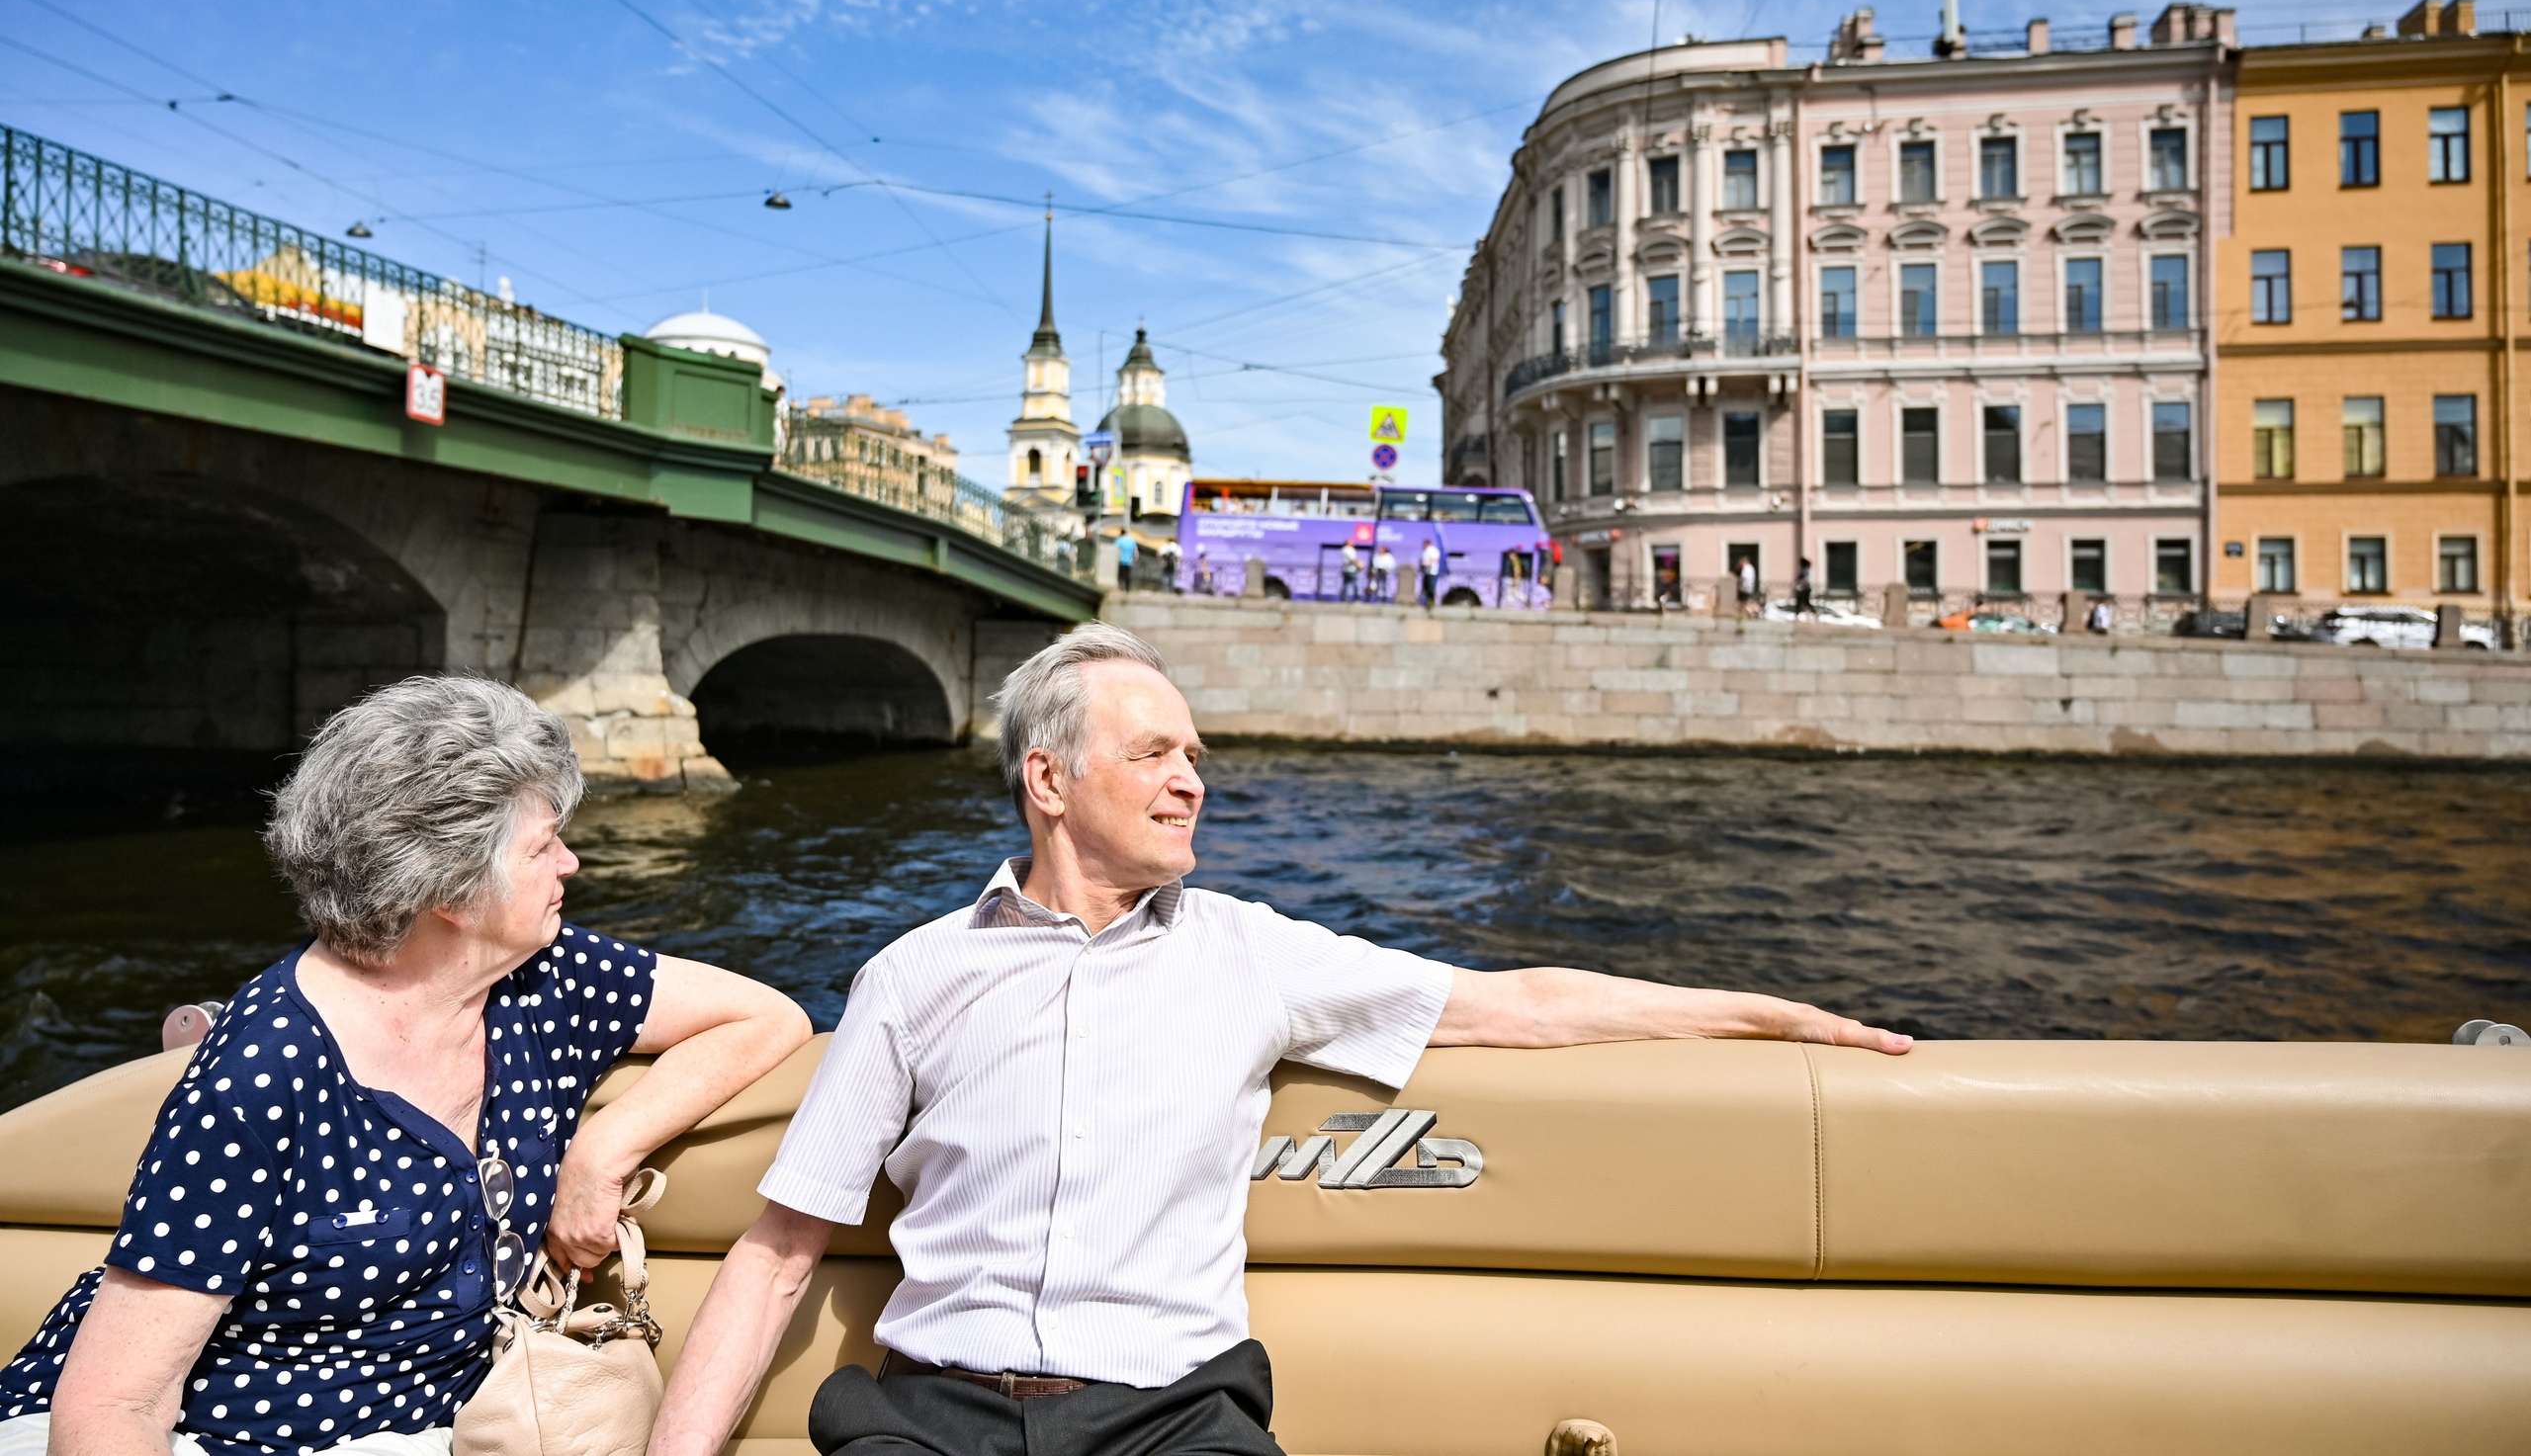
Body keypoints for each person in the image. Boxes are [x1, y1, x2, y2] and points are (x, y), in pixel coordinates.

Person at [648, 626, 1908, 1456]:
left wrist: (1765, 1012)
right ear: (1048, 780)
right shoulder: (912, 976)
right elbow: (774, 1254)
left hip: (1172, 1417)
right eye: (1154, 753)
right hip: (928, 1411)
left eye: (1196, 754)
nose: (1193, 777)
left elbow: (1517, 1003)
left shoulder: (1250, 950)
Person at [0, 676, 811, 1456]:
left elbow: (769, 1016)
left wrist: (599, 1154)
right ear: (452, 893)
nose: (570, 864)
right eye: (543, 844)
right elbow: (116, 1404)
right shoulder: (264, 1072)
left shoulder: (542, 974)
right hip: (218, 1434)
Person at [1418, 538, 1442, 609]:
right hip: (1426, 572)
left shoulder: (1433, 550)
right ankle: (1424, 601)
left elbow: (1435, 560)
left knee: (1431, 588)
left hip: (1432, 572)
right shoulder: (1426, 551)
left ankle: (1431, 601)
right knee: (1425, 587)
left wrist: (1426, 563)